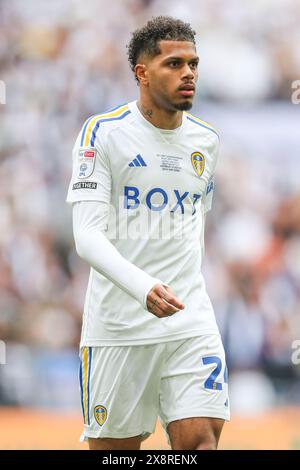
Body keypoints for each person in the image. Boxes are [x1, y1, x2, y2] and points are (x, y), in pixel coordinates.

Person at [66, 15, 229, 450]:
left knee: (201, 445)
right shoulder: (104, 133)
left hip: (188, 320)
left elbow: (192, 225)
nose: (189, 73)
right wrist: (144, 287)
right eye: (174, 64)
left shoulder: (207, 141)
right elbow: (86, 235)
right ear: (142, 73)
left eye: (193, 64)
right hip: (120, 328)